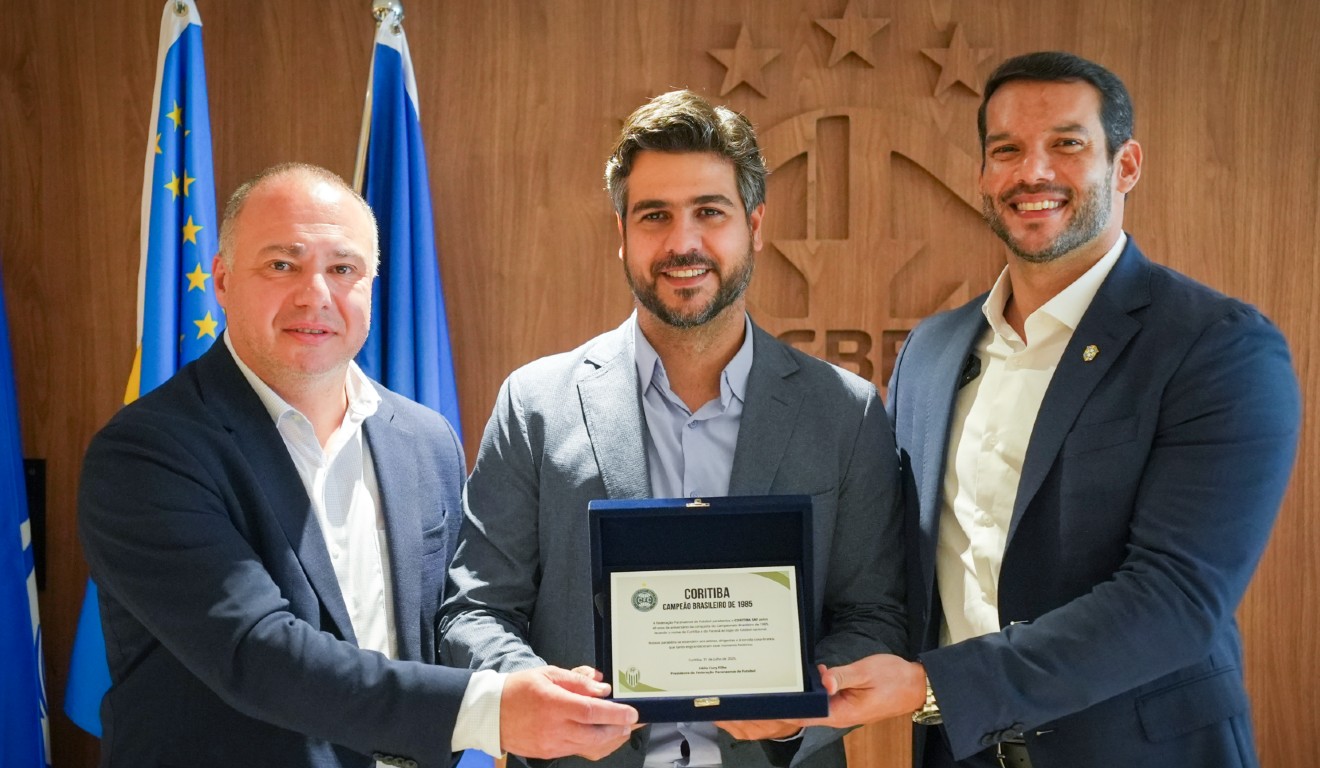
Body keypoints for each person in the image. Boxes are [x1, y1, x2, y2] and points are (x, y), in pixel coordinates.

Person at [800, 52, 1301, 768]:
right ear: (984, 174)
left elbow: (1175, 600)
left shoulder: (1215, 346)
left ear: (1126, 165)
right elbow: (895, 569)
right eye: (1006, 150)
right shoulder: (931, 351)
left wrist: (936, 687)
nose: (1033, 173)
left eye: (1067, 144)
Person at [78, 163, 638, 767]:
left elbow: (453, 620)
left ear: (371, 284)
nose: (315, 294)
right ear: (221, 279)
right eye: (282, 265)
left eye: (343, 269)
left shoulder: (426, 441)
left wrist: (547, 685)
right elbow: (258, 654)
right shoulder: (145, 454)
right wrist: (493, 710)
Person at [439, 90, 906, 768]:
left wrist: (797, 710)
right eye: (655, 215)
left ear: (755, 225)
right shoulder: (534, 404)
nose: (683, 243)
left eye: (709, 212)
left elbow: (874, 616)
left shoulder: (846, 412)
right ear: (621, 232)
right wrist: (533, 693)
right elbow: (475, 610)